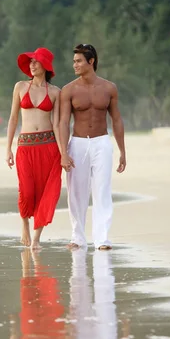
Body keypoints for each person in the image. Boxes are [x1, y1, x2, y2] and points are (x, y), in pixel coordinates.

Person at [59, 44, 126, 250]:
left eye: (79, 61)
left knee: (102, 190)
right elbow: (62, 122)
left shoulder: (108, 88)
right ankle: (77, 237)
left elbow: (116, 120)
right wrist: (63, 153)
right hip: (77, 143)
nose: (75, 65)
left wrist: (123, 151)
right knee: (76, 192)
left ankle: (102, 238)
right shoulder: (69, 90)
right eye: (74, 61)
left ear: (91, 61)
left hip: (102, 142)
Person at [6, 47, 63, 249]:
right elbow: (13, 119)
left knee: (47, 193)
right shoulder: (20, 87)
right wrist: (8, 149)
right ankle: (24, 225)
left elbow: (57, 124)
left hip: (49, 147)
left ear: (45, 65)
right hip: (26, 147)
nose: (32, 65)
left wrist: (63, 154)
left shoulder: (56, 92)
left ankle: (36, 238)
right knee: (27, 191)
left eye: (36, 62)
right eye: (30, 62)